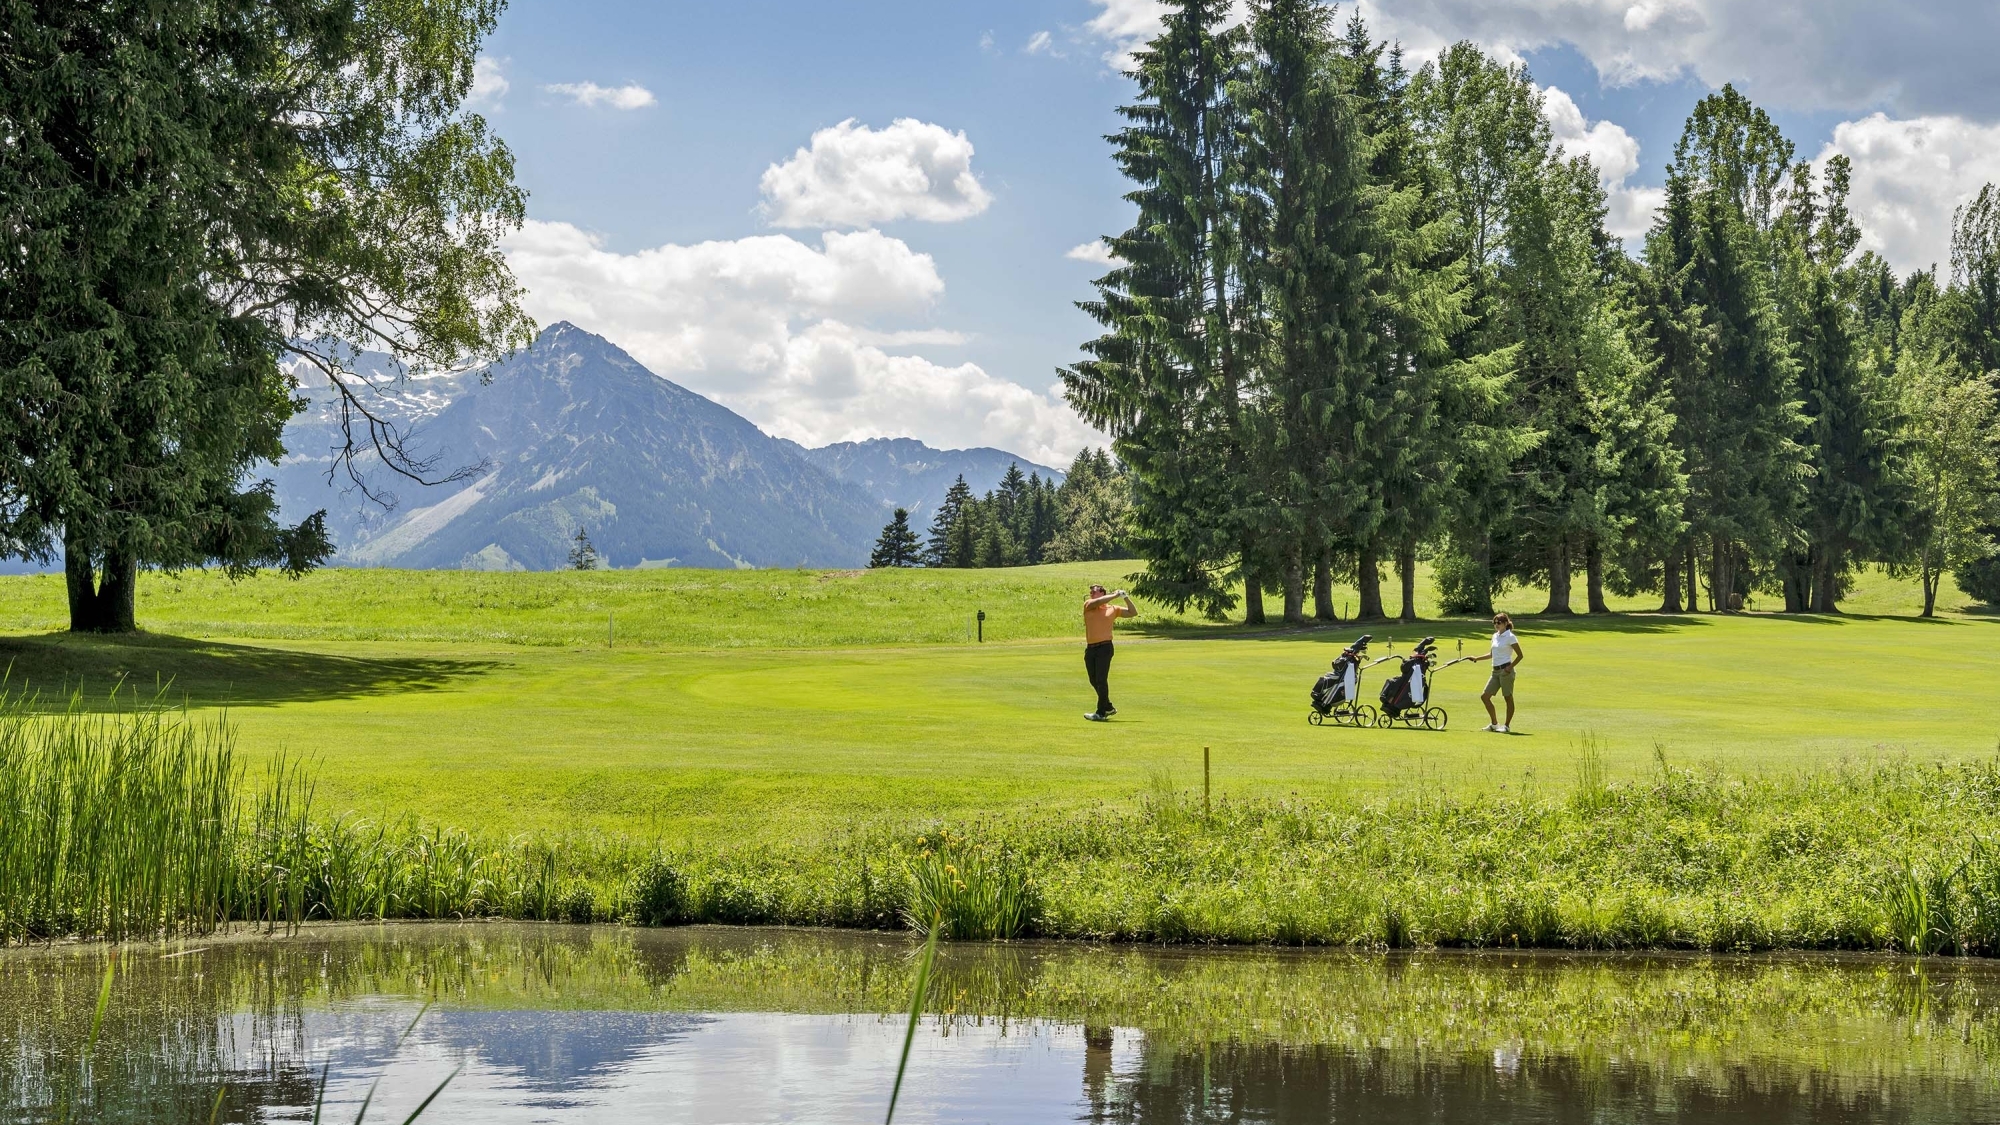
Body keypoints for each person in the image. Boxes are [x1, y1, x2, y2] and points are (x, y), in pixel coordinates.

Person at [1082, 584, 1136, 721]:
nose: (1091, 594)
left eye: (1094, 591)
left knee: (1101, 680)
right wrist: (1115, 595)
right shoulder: (1089, 604)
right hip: (1091, 648)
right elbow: (1098, 602)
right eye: (1091, 592)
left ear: (1102, 593)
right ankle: (1108, 707)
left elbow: (1132, 612)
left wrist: (1125, 597)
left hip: (1105, 647)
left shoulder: (1113, 609)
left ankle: (1101, 712)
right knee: (1093, 680)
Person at [1469, 612, 1524, 733]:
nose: (1496, 625)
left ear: (1505, 623)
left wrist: (1510, 667)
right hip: (1495, 671)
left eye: (1499, 622)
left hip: (1506, 671)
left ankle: (1507, 726)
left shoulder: (1510, 637)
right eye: (1494, 623)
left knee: (1507, 697)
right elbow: (1492, 654)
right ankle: (1494, 724)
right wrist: (1477, 658)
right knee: (1485, 697)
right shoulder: (1495, 636)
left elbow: (1520, 656)